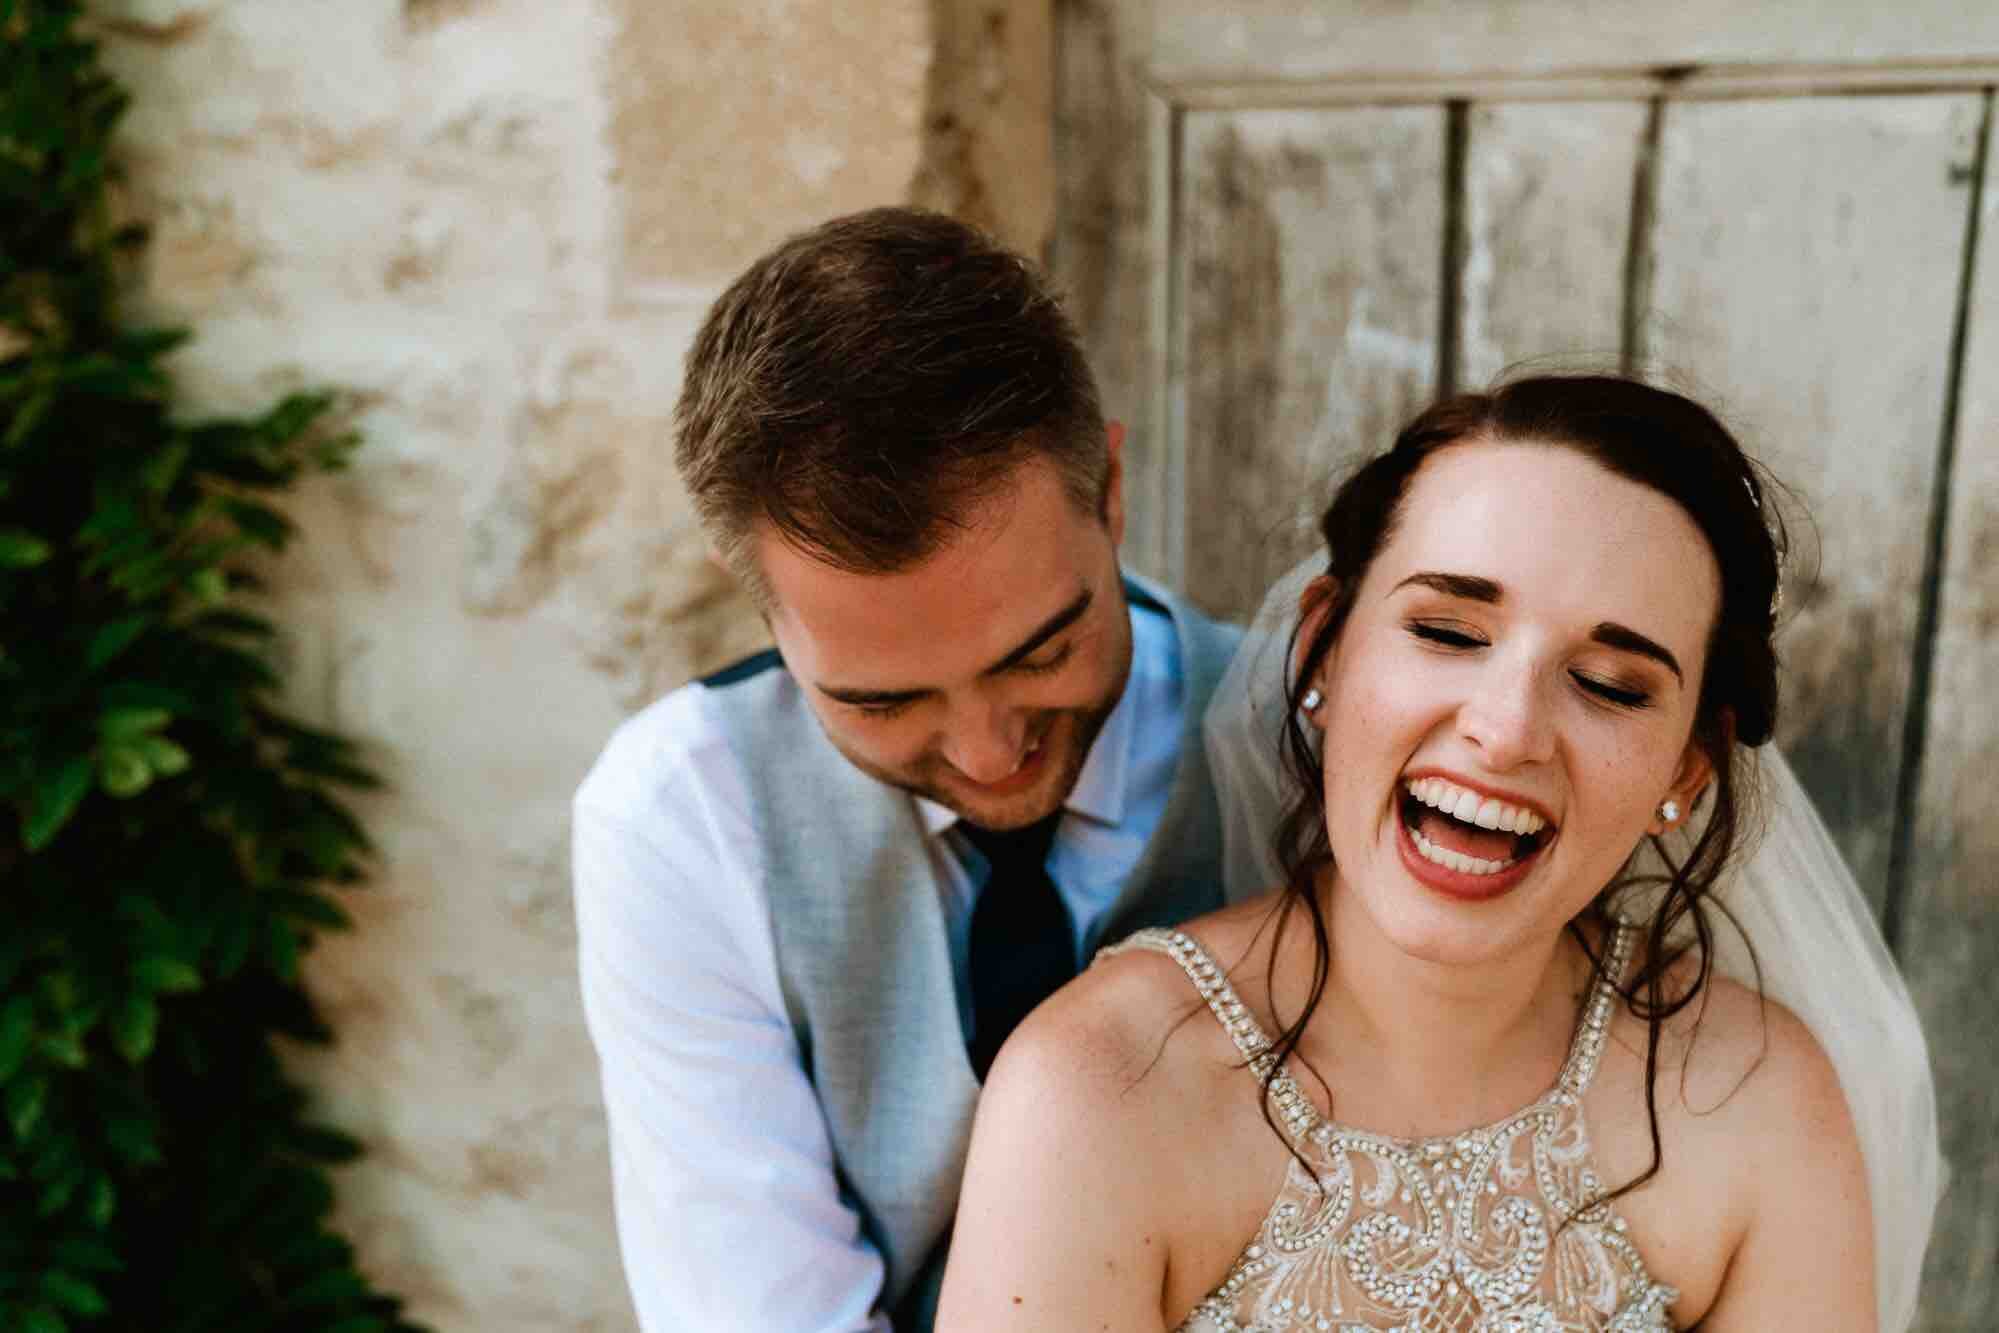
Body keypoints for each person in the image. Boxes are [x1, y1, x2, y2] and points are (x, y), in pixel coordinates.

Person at [936, 376, 1942, 1331]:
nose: (1505, 730)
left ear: (1684, 770)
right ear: (1323, 650)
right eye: (1450, 632)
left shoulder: (1756, 1100)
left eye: (1608, 683)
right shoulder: (1098, 1094)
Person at [570, 207, 1242, 1331]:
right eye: (879, 699)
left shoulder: (1318, 743)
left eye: (1042, 652)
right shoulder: (678, 812)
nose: (987, 752)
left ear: (1111, 492)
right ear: (762, 606)